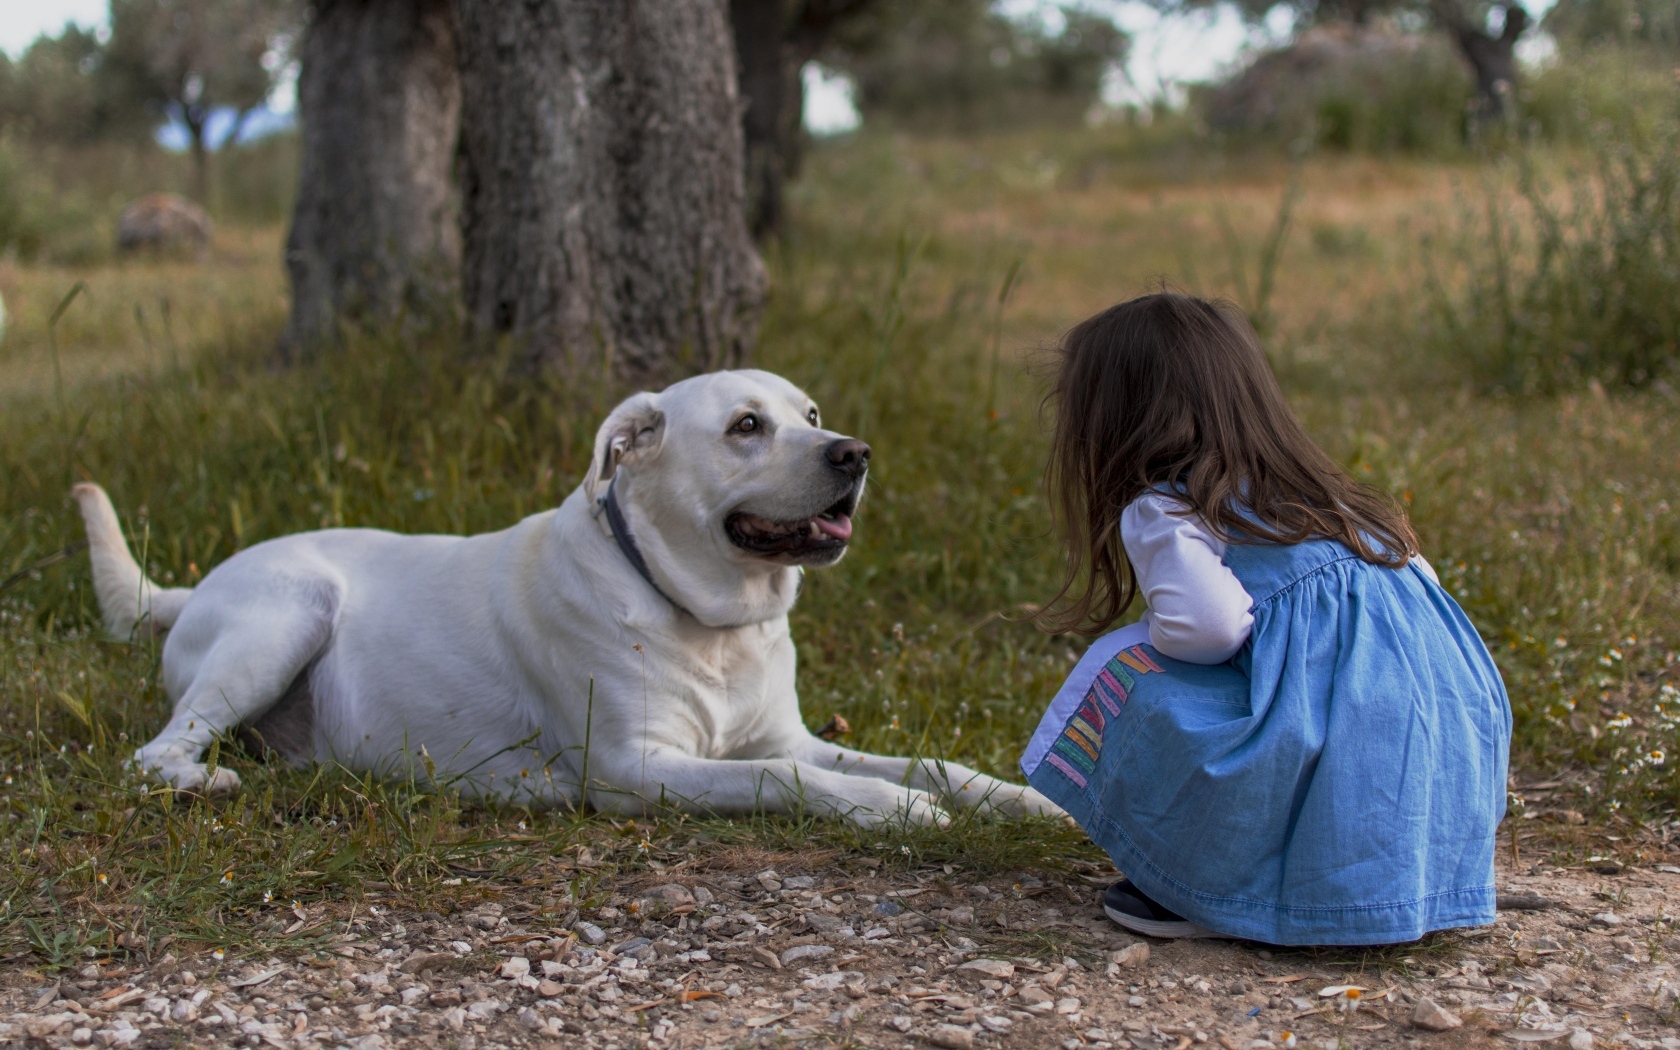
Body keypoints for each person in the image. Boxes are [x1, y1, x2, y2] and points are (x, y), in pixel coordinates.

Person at [1021, 292, 1511, 945]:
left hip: (1338, 743)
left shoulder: (1168, 507)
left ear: (1115, 421)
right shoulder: (1331, 500)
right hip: (1447, 744)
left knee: (1128, 669)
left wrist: (1154, 640)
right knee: (1331, 708)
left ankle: (1207, 888)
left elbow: (1210, 628)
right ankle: (1401, 881)